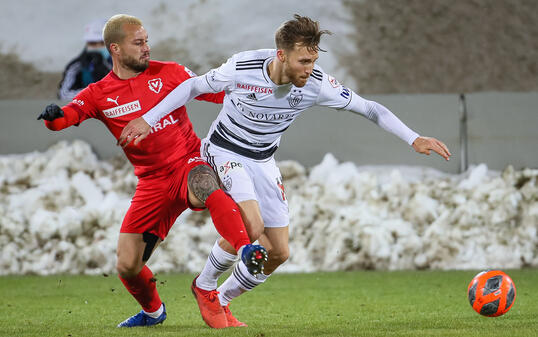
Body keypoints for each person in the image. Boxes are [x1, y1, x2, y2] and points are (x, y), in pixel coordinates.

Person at [118, 14, 452, 328]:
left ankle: (221, 297)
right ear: (280, 54)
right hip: (223, 151)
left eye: (314, 60)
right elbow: (192, 87)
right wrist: (148, 118)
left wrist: (413, 138)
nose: (310, 69)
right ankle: (204, 285)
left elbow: (370, 108)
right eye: (304, 61)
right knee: (252, 225)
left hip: (263, 161)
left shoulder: (317, 84)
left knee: (278, 252)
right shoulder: (243, 66)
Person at [37, 14, 267, 329]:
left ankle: (245, 251)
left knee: (206, 184)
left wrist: (256, 93)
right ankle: (153, 311)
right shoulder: (98, 93)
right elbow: (66, 116)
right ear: (115, 49)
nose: (147, 48)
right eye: (139, 43)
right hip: (152, 184)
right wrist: (52, 117)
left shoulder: (170, 72)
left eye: (147, 41)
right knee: (128, 265)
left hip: (188, 160)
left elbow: (215, 93)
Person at [57, 19, 113, 100]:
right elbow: (64, 94)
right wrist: (94, 92)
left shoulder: (124, 64)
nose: (97, 47)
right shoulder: (77, 65)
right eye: (92, 43)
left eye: (102, 43)